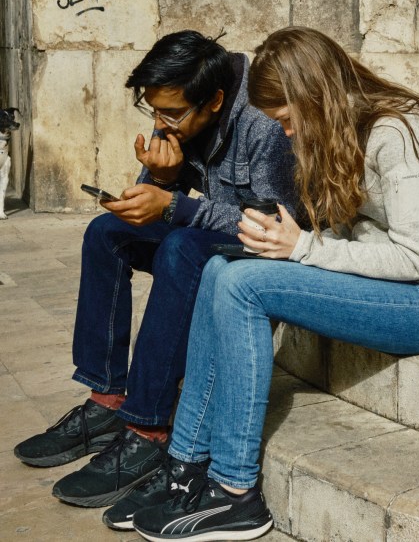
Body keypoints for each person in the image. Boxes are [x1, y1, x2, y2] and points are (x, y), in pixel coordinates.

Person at [115, 26, 419, 541]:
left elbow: (412, 258)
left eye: (288, 122)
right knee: (222, 267)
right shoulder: (344, 131)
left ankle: (234, 491)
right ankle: (185, 465)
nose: (286, 135)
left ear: (318, 98)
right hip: (395, 289)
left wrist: (301, 248)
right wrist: (280, 238)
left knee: (245, 284)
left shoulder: (403, 135)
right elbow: (348, 230)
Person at [13, 31, 297, 511]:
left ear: (215, 101)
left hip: (272, 248)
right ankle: (107, 401)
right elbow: (165, 203)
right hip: (211, 229)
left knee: (182, 250)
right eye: (154, 111)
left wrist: (179, 207)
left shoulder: (262, 124)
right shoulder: (183, 117)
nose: (163, 123)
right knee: (106, 233)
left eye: (172, 114)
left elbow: (273, 223)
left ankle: (149, 427)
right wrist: (160, 180)